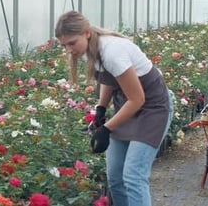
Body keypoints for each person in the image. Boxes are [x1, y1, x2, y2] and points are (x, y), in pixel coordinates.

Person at [55, 10, 173, 206]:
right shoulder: (91, 48)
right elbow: (108, 79)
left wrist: (106, 129)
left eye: (71, 43)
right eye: (63, 45)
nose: (68, 50)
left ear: (86, 32)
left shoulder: (112, 51)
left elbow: (137, 99)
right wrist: (101, 109)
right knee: (116, 178)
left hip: (152, 108)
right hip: (127, 105)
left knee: (133, 177)